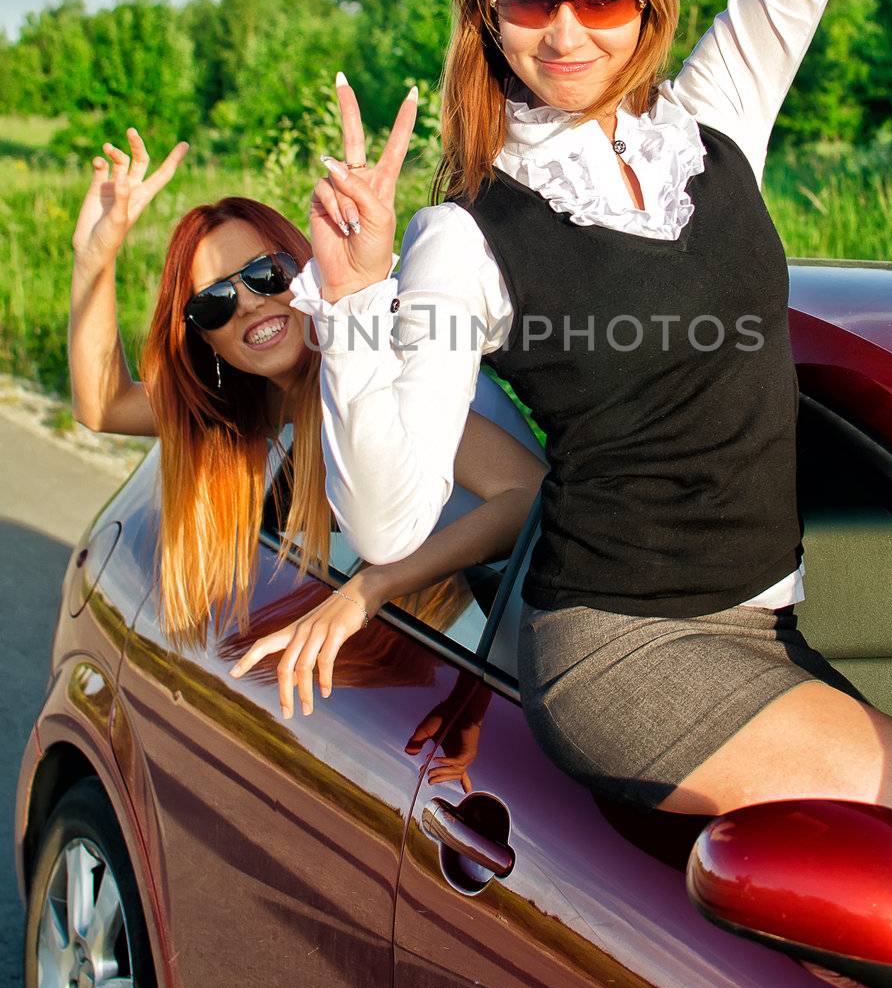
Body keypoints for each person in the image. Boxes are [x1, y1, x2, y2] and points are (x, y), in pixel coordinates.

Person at [285, 0, 892, 934]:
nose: (567, 28)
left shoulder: (715, 129)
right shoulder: (467, 236)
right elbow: (391, 524)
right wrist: (352, 302)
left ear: (647, 0)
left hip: (772, 623)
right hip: (629, 653)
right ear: (485, 13)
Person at [68, 129, 545, 715]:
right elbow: (104, 405)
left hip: (533, 624)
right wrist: (93, 259)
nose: (247, 302)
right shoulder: (265, 402)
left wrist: (367, 590)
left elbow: (527, 495)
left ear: (305, 272)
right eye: (214, 303)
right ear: (206, 339)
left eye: (264, 275)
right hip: (480, 652)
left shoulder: (377, 361)